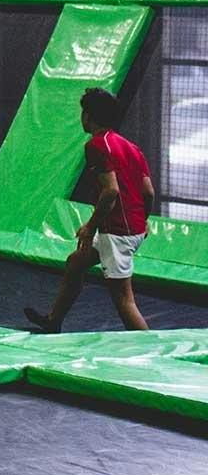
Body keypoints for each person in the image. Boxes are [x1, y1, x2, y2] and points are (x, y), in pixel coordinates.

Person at [24, 87, 157, 334]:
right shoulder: (130, 147)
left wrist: (89, 227)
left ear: (88, 116)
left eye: (83, 113)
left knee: (124, 300)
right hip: (132, 229)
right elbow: (148, 191)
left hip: (116, 233)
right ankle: (54, 321)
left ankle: (154, 355)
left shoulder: (96, 145)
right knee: (76, 262)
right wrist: (144, 220)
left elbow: (111, 191)